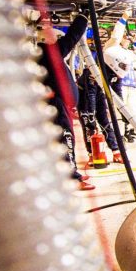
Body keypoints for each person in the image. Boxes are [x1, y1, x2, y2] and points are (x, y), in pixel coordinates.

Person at [37, 14, 93, 190]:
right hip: (58, 105)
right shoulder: (48, 54)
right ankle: (72, 178)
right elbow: (73, 37)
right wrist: (83, 17)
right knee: (66, 138)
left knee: (58, 139)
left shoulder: (42, 57)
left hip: (58, 103)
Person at [103, 10, 136, 141]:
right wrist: (124, 18)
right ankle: (119, 135)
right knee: (120, 110)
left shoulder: (128, 53)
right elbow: (116, 35)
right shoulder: (112, 47)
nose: (127, 39)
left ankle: (130, 130)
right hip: (118, 85)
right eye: (125, 37)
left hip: (131, 86)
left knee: (134, 111)